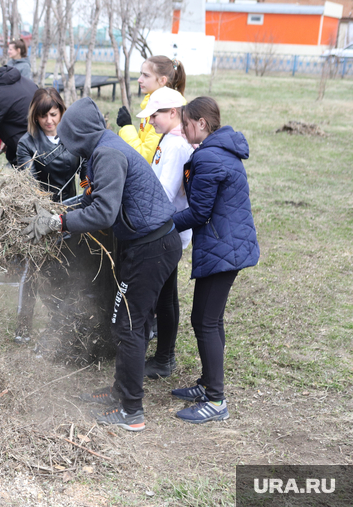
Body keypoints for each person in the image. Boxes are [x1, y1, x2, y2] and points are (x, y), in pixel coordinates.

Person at [23, 96, 182, 432]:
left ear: (80, 133)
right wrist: (62, 208)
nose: (66, 145)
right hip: (148, 241)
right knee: (125, 323)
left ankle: (131, 411)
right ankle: (119, 392)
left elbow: (104, 212)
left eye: (68, 137)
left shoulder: (108, 154)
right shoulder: (104, 148)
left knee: (128, 325)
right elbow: (96, 196)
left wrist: (58, 224)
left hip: (150, 247)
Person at [170, 97, 259, 424]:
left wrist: (164, 223)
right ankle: (208, 383)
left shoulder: (209, 158)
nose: (183, 129)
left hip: (224, 248)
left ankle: (216, 400)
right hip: (226, 246)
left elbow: (199, 212)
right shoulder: (218, 151)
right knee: (208, 319)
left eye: (187, 124)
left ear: (202, 124)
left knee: (205, 321)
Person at [14, 88, 86, 341]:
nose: (49, 121)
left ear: (62, 112)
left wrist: (88, 194)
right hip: (40, 214)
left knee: (72, 267)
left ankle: (67, 322)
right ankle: (23, 326)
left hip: (73, 211)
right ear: (35, 116)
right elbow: (28, 183)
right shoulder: (28, 142)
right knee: (33, 270)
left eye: (54, 114)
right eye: (43, 116)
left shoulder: (74, 137)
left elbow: (86, 172)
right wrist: (44, 211)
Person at [132, 87, 193, 379]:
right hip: (164, 227)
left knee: (165, 296)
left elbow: (165, 193)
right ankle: (163, 356)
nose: (152, 120)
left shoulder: (177, 146)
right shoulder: (169, 139)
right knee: (166, 295)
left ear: (173, 113)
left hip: (166, 230)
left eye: (156, 114)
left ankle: (164, 357)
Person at [117, 56, 186, 164]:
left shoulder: (164, 112)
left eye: (146, 75)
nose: (139, 79)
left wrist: (126, 127)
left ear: (162, 80)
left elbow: (144, 157)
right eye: (141, 74)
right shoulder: (151, 103)